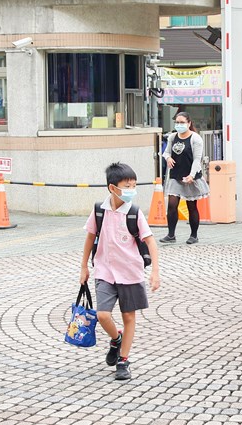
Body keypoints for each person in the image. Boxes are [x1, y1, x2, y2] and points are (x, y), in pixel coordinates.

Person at [80, 163, 161, 381]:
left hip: (130, 273)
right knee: (102, 314)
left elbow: (150, 241)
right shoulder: (99, 211)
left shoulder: (134, 213)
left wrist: (155, 271)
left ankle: (123, 360)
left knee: (128, 317)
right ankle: (116, 339)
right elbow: (89, 237)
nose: (131, 190)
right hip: (105, 271)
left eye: (134, 186)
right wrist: (83, 267)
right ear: (112, 188)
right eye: (127, 186)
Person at [161, 112, 209, 244]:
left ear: (189, 123)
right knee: (172, 204)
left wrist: (191, 175)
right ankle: (171, 234)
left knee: (191, 206)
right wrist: (168, 158)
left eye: (182, 122)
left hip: (190, 176)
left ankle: (194, 235)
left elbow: (197, 159)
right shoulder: (172, 137)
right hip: (175, 174)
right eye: (177, 122)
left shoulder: (196, 138)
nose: (179, 125)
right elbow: (166, 152)